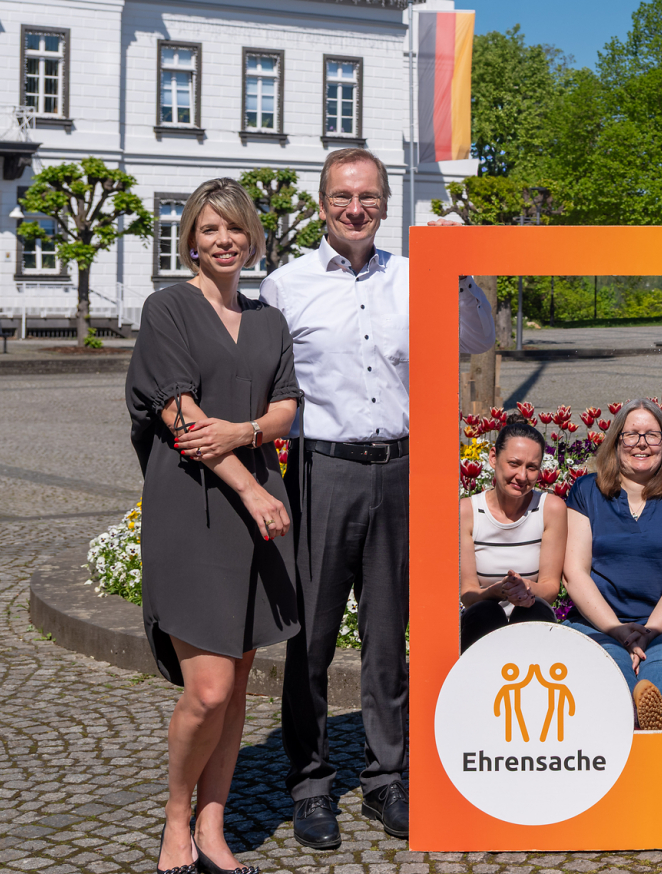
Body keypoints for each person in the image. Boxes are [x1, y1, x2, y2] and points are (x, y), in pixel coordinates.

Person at [260, 147, 495, 848]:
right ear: (322, 204)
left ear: (385, 204)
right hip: (320, 469)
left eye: (367, 197)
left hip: (399, 470)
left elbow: (476, 338)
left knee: (388, 637)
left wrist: (461, 274)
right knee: (311, 639)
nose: (354, 209)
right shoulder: (285, 286)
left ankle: (387, 777)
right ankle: (309, 784)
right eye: (341, 197)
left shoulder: (418, 279)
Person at [124, 178, 302, 874]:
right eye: (208, 229)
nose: (223, 241)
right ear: (190, 240)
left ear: (251, 237)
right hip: (194, 509)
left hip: (256, 511)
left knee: (240, 683)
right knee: (209, 690)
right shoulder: (167, 307)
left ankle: (213, 825)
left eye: (234, 229)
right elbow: (181, 418)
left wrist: (250, 428)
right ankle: (175, 817)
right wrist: (253, 487)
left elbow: (286, 408)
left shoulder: (268, 321)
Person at [561, 398, 662, 731]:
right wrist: (619, 631)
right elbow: (574, 573)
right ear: (616, 441)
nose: (641, 443)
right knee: (609, 667)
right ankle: (637, 731)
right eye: (632, 435)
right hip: (599, 623)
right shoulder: (587, 491)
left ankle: (643, 728)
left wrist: (648, 632)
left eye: (652, 435)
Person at [459, 419, 567, 650]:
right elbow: (468, 594)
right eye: (514, 464)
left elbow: (549, 588)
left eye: (531, 467)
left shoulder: (551, 508)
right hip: (482, 619)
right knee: (485, 611)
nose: (522, 476)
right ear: (493, 458)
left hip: (531, 615)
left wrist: (526, 588)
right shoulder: (467, 512)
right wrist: (498, 591)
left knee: (534, 609)